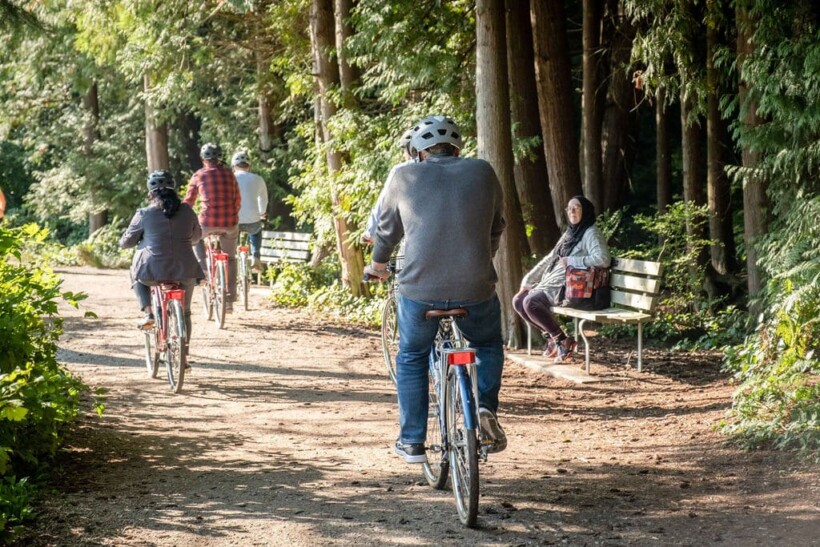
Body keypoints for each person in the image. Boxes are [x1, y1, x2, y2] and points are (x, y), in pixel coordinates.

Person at [364, 115, 508, 463]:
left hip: (420, 290)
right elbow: (496, 226)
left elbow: (386, 232)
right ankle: (485, 408)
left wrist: (378, 266)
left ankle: (412, 442)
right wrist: (479, 259)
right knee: (487, 343)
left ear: (419, 152)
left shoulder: (403, 175)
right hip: (476, 287)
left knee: (412, 356)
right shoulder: (484, 171)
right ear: (456, 149)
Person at [512, 195, 611, 362]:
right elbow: (549, 259)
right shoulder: (569, 233)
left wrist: (573, 261)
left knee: (530, 302)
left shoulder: (591, 232)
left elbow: (603, 259)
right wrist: (527, 281)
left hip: (571, 287)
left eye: (576, 207)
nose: (572, 211)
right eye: (569, 208)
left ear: (585, 210)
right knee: (518, 301)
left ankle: (562, 340)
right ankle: (554, 338)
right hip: (552, 283)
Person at [120, 170, 204, 365]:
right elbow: (196, 237)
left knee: (136, 273)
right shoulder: (187, 211)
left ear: (150, 192)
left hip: (152, 271)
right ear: (173, 189)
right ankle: (183, 356)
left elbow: (127, 242)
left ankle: (149, 313)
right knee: (185, 312)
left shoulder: (144, 213)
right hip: (186, 270)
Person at [184, 143, 242, 312]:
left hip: (207, 222)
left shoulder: (198, 175)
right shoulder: (230, 174)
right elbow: (237, 200)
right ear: (219, 158)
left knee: (195, 239)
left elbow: (188, 202)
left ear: (203, 159)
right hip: (230, 222)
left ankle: (203, 270)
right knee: (230, 258)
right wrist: (232, 215)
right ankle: (229, 300)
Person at [361, 127, 417, 245]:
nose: (404, 155)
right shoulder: (450, 169)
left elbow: (385, 202)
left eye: (404, 151)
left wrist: (371, 232)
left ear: (412, 150)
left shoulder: (402, 170)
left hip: (415, 239)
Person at [231, 151, 269, 271]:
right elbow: (263, 199)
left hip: (233, 221)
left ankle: (230, 259)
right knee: (256, 231)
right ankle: (256, 256)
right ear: (249, 166)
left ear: (233, 166)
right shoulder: (258, 179)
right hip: (252, 221)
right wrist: (261, 212)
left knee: (230, 238)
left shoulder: (229, 179)